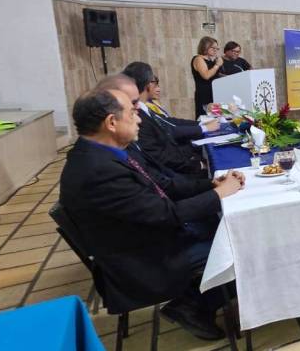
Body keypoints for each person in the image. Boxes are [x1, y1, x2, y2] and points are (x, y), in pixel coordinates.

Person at [59, 88, 245, 340]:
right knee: (243, 243)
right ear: (111, 122)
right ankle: (193, 305)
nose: (139, 119)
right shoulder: (97, 170)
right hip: (144, 258)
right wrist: (219, 194)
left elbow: (164, 185)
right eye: (133, 113)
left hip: (147, 234)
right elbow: (167, 214)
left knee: (227, 225)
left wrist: (210, 185)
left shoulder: (102, 152)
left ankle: (203, 295)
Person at [108, 70, 205, 176]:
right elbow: (161, 158)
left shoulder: (147, 108)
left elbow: (169, 123)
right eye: (134, 102)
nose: (138, 110)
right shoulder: (111, 161)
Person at [124, 62, 218, 143]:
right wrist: (204, 128)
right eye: (154, 83)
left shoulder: (149, 105)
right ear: (147, 84)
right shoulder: (140, 111)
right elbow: (169, 131)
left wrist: (200, 124)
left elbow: (169, 121)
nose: (158, 89)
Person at [191, 37, 223, 117]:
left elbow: (215, 75)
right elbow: (206, 75)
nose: (215, 50)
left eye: (217, 48)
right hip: (204, 94)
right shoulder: (198, 59)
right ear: (205, 47)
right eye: (213, 48)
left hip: (215, 93)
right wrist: (217, 65)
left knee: (217, 118)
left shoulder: (212, 60)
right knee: (206, 119)